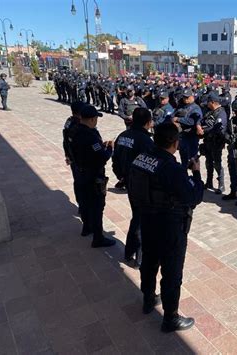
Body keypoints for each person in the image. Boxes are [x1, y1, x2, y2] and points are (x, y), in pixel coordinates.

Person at [128, 123, 204, 332]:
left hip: (147, 220)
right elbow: (194, 196)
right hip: (169, 227)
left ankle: (148, 299)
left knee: (149, 263)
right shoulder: (171, 168)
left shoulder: (141, 158)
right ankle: (170, 317)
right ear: (175, 143)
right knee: (171, 274)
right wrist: (196, 174)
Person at [112, 108, 155, 265]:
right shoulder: (146, 141)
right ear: (148, 123)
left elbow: (115, 159)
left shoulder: (123, 136)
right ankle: (140, 258)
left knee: (137, 217)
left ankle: (129, 252)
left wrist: (121, 177)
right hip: (142, 187)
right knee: (143, 220)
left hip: (129, 183)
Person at [70, 105, 116, 248]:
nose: (96, 121)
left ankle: (86, 227)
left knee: (83, 202)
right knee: (97, 206)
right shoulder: (90, 135)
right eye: (96, 118)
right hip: (92, 175)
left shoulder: (73, 129)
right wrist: (109, 148)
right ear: (91, 119)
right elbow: (102, 157)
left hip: (79, 171)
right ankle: (98, 237)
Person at [201, 92, 227, 194]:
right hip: (208, 141)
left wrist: (205, 130)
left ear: (213, 102)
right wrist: (200, 126)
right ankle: (209, 182)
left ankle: (221, 184)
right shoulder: (209, 112)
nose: (207, 104)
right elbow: (202, 121)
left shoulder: (221, 113)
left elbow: (217, 128)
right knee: (208, 162)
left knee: (217, 163)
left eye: (208, 102)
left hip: (216, 142)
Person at [63, 101, 86, 213]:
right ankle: (83, 207)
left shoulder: (69, 121)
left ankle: (81, 206)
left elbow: (65, 140)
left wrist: (67, 154)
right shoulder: (79, 125)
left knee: (78, 182)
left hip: (72, 158)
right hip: (81, 160)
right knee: (82, 183)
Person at [172, 88, 203, 168]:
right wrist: (174, 121)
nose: (185, 99)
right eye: (184, 97)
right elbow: (173, 116)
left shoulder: (196, 108)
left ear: (192, 97)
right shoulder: (181, 105)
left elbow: (192, 121)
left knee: (193, 160)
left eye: (187, 97)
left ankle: (196, 177)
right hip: (182, 135)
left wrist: (178, 119)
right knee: (183, 159)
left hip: (191, 136)